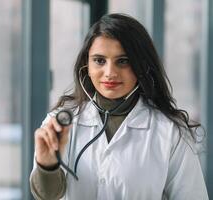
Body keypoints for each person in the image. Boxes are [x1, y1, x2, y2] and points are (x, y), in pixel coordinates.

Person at [29, 13, 208, 200]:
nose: (110, 73)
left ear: (142, 66)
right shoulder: (59, 123)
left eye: (123, 61)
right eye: (99, 61)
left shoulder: (170, 132)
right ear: (86, 66)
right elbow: (47, 196)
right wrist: (47, 165)